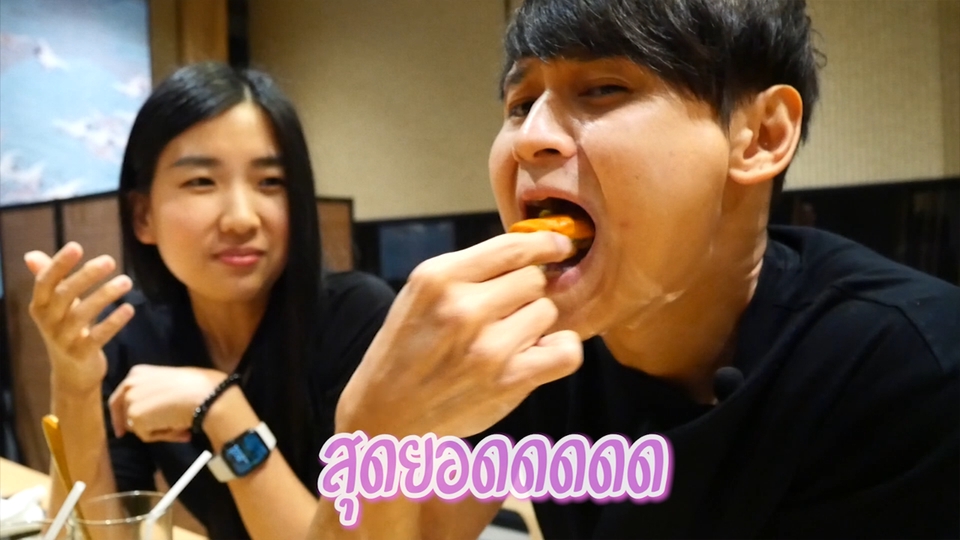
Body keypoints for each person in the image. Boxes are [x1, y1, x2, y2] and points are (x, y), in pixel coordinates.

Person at [308, 0, 960, 538]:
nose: (530, 138)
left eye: (602, 89)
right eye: (520, 103)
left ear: (761, 135)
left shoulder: (909, 368)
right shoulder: (530, 345)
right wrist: (374, 429)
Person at [24, 61, 395, 540]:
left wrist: (221, 410)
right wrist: (73, 383)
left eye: (270, 182)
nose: (242, 218)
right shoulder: (133, 333)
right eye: (201, 181)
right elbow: (94, 532)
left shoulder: (359, 320)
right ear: (143, 217)